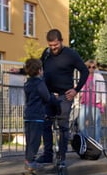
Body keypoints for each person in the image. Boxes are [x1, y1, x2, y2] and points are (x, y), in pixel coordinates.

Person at [38, 29, 89, 164]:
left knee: (63, 127)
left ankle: (61, 156)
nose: (53, 48)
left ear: (61, 41)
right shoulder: (46, 53)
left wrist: (76, 90)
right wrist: (21, 71)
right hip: (49, 96)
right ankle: (48, 155)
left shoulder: (71, 54)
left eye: (56, 45)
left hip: (64, 97)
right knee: (45, 124)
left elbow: (85, 71)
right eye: (51, 45)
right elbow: (37, 67)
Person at [23, 58, 51, 171]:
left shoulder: (27, 83)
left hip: (28, 115)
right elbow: (47, 97)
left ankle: (27, 159)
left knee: (29, 139)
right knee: (35, 140)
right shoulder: (40, 83)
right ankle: (31, 161)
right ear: (40, 70)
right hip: (37, 115)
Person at [77, 59, 106, 142]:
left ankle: (97, 142)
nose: (91, 69)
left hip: (95, 103)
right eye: (89, 67)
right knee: (81, 122)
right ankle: (86, 140)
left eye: (93, 67)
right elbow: (80, 88)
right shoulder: (83, 76)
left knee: (97, 123)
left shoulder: (99, 76)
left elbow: (102, 89)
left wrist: (103, 101)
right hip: (84, 103)